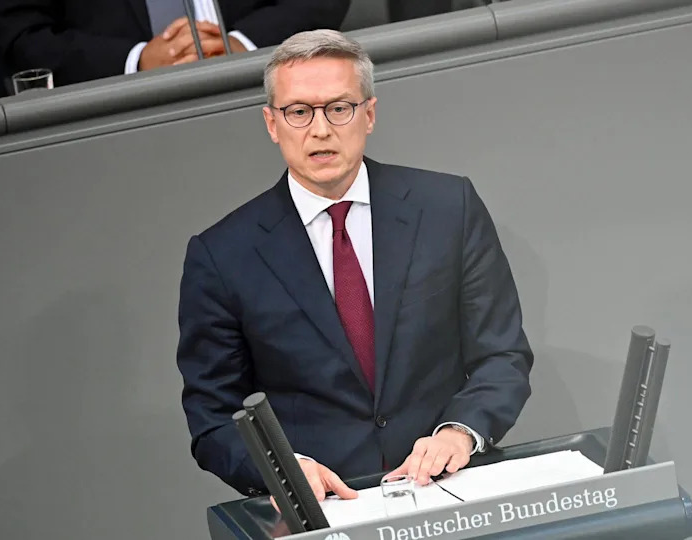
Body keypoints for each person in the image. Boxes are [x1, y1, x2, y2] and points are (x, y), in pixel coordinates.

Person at [176, 29, 533, 499]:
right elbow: (213, 418)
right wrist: (285, 470)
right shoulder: (222, 255)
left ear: (369, 114)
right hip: (324, 507)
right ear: (271, 123)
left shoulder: (448, 208)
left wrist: (459, 432)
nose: (320, 130)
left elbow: (502, 356)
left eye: (339, 108)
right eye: (299, 112)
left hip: (451, 488)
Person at [0, 0, 351, 86]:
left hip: (267, 88)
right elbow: (22, 37)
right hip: (116, 124)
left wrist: (243, 44)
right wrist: (138, 60)